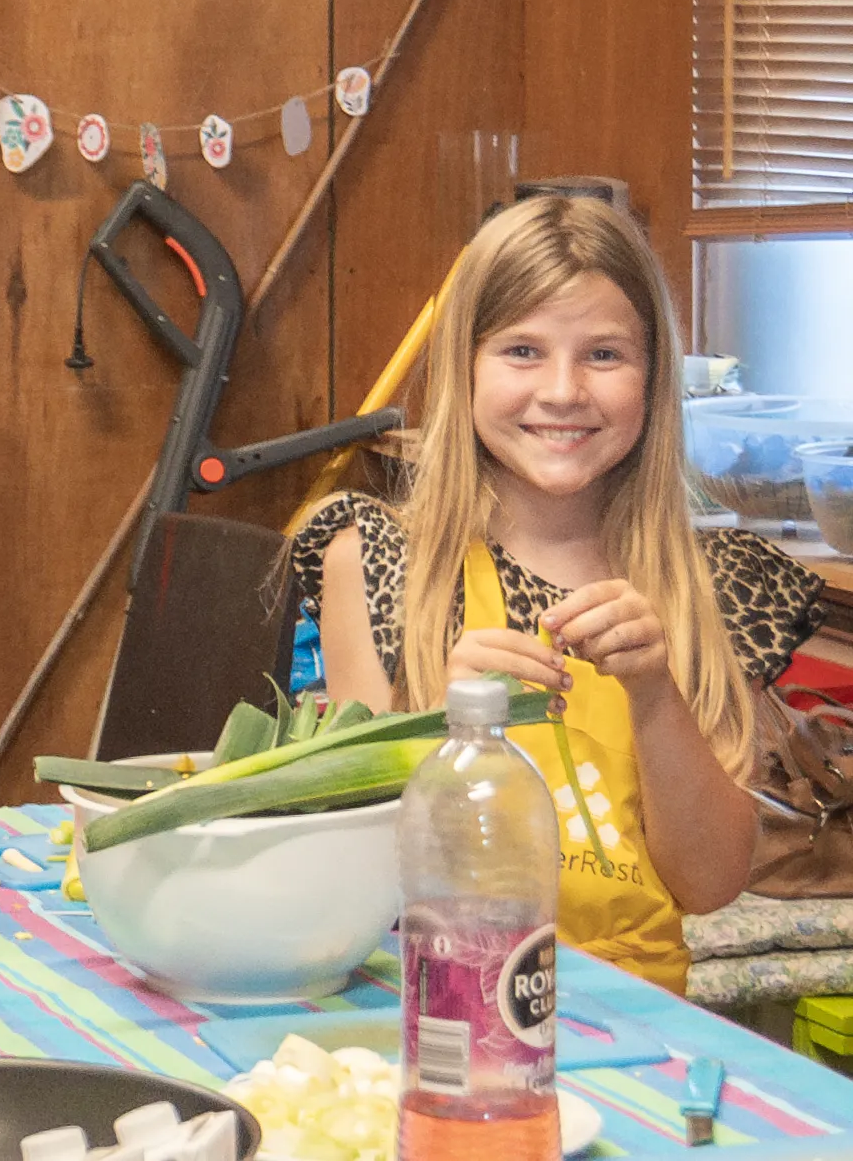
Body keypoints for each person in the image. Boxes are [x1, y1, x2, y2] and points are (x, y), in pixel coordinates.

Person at [294, 193, 822, 992]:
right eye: (522, 351)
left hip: (641, 1017)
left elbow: (709, 883)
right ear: (463, 365)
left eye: (605, 355)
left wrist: (654, 694)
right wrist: (443, 722)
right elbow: (351, 867)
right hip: (441, 1002)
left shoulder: (710, 585)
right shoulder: (378, 558)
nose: (565, 390)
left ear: (654, 376)